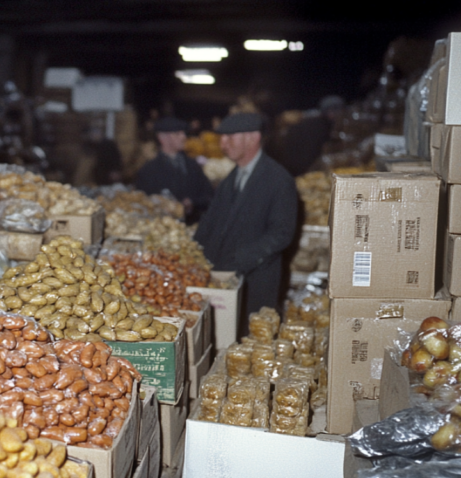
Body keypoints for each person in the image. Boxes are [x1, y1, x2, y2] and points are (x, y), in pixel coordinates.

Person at [194, 113, 298, 324]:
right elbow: (210, 222)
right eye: (222, 138)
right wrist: (194, 254)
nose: (223, 144)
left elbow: (281, 234)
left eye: (230, 137)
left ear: (253, 138)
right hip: (224, 281)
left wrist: (240, 259)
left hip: (255, 282)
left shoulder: (279, 180)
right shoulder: (230, 179)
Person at [134, 116, 214, 224]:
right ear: (162, 138)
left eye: (184, 133)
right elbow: (141, 204)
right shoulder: (148, 171)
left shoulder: (193, 166)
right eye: (177, 134)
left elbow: (209, 195)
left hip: (192, 227)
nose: (184, 137)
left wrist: (193, 202)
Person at [271, 95, 345, 177]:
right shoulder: (319, 125)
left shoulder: (312, 119)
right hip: (300, 166)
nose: (333, 114)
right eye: (330, 111)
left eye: (336, 110)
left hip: (291, 166)